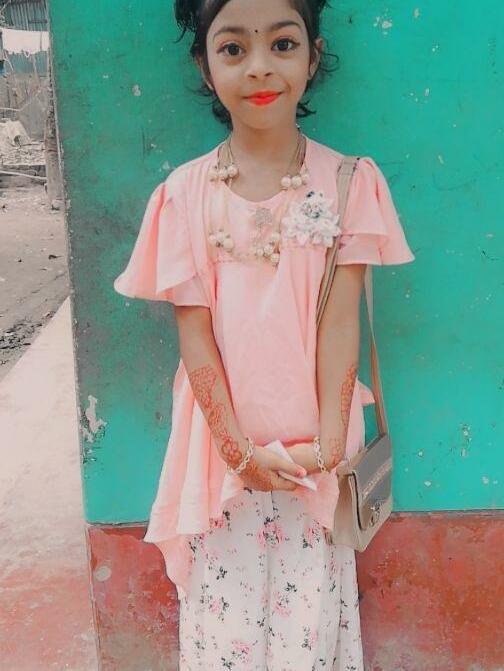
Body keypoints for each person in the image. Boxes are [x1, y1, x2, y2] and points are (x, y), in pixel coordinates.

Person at [113, 0, 415, 668]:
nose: (259, 68)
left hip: (317, 456)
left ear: (313, 55)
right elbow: (195, 335)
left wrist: (326, 447)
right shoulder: (184, 195)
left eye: (282, 44)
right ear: (204, 64)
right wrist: (240, 454)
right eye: (233, 48)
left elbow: (341, 324)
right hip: (219, 457)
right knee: (227, 633)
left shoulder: (346, 183)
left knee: (309, 626)